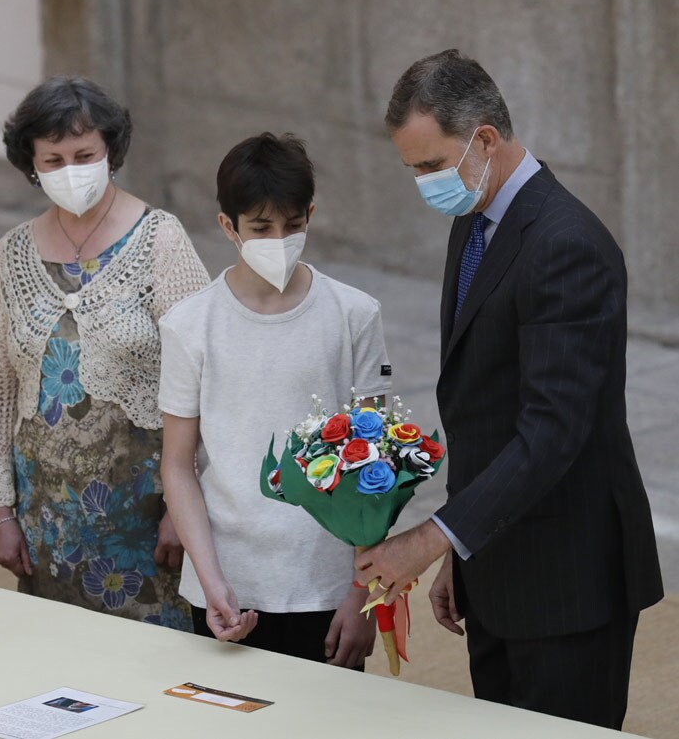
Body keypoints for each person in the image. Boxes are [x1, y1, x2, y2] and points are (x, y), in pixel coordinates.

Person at [355, 49, 663, 728]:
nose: (423, 183)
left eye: (430, 165)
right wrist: (464, 554)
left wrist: (429, 539)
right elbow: (483, 407)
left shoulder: (565, 245)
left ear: (484, 140)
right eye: (411, 169)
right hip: (496, 566)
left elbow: (550, 432)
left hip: (567, 581)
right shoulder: (475, 218)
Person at [0, 76, 210, 630]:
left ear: (112, 151)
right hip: (48, 519)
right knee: (60, 665)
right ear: (31, 164)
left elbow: (206, 374)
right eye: (53, 159)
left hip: (150, 513)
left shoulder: (161, 239)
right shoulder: (10, 254)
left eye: (84, 154)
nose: (71, 170)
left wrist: (189, 507)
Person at [159, 132, 392, 667]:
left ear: (310, 214)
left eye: (293, 225)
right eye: (261, 228)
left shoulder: (355, 316)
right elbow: (177, 464)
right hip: (226, 583)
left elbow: (373, 461)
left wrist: (363, 592)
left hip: (326, 586)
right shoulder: (189, 325)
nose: (279, 238)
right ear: (227, 226)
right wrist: (211, 580)